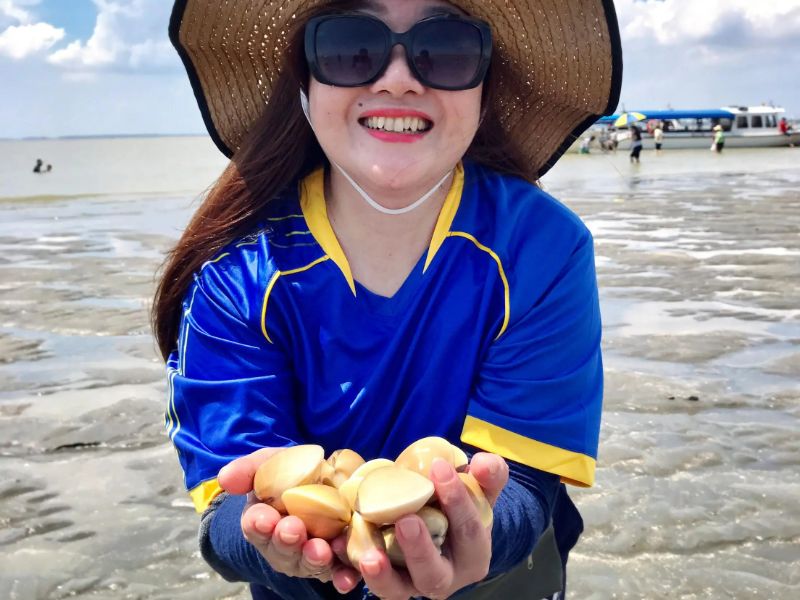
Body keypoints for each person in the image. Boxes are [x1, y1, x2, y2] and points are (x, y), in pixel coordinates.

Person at [158, 1, 620, 598]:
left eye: (447, 48)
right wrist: (269, 535)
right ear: (305, 79)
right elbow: (228, 504)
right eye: (351, 45)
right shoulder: (234, 272)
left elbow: (525, 484)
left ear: (486, 85)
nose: (398, 77)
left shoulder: (542, 248)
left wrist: (466, 535)